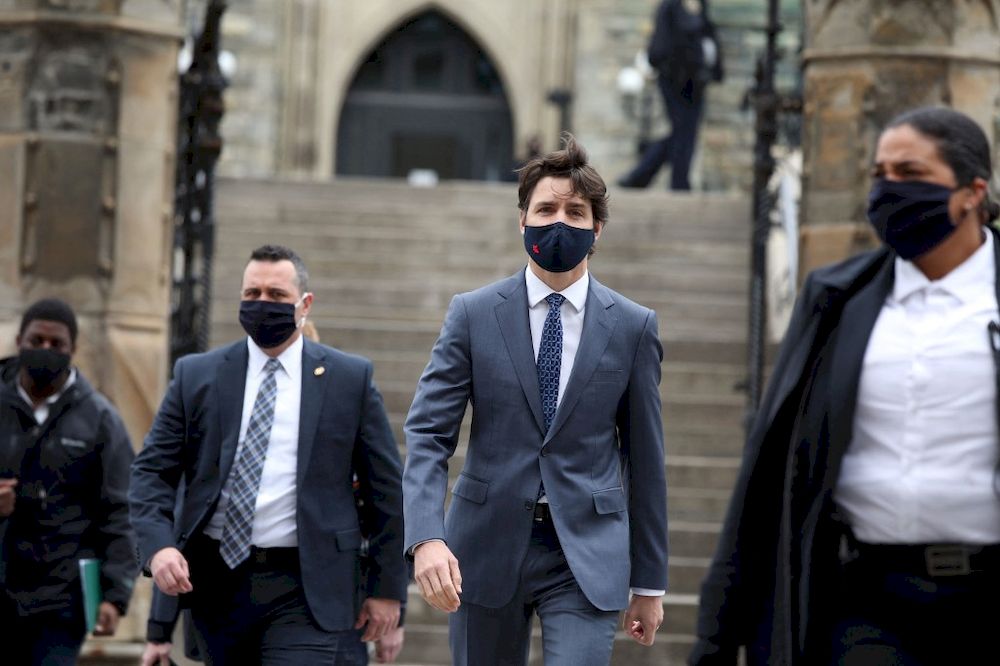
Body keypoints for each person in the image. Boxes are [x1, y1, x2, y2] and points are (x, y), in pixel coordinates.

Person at [689, 105, 1000, 665]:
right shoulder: (838, 299)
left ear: (972, 192)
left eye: (910, 174)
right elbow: (768, 468)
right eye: (880, 173)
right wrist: (717, 633)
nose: (888, 188)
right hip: (866, 600)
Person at [403, 134, 668, 665]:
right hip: (482, 546)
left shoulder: (633, 327)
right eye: (545, 209)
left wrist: (650, 581)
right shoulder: (473, 314)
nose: (559, 222)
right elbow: (429, 434)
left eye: (576, 211)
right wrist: (426, 537)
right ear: (522, 220)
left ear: (597, 229)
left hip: (585, 554)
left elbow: (646, 458)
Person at [129, 244, 408, 664]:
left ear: (304, 304)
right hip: (217, 584)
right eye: (252, 293)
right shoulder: (197, 375)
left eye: (276, 295)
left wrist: (388, 592)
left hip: (307, 585)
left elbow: (386, 490)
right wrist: (158, 547)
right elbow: (151, 472)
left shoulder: (348, 379)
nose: (262, 304)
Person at [0, 298, 137, 664]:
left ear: (73, 349)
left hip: (61, 599)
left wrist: (114, 594)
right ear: (19, 341)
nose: (46, 350)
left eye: (56, 344)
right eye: (37, 340)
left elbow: (120, 509)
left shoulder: (101, 419)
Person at [618, 0, 723, 191]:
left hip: (696, 81)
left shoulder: (700, 6)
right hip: (675, 81)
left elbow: (708, 39)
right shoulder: (671, 7)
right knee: (683, 130)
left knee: (685, 132)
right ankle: (675, 182)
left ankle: (642, 176)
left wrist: (713, 70)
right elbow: (659, 49)